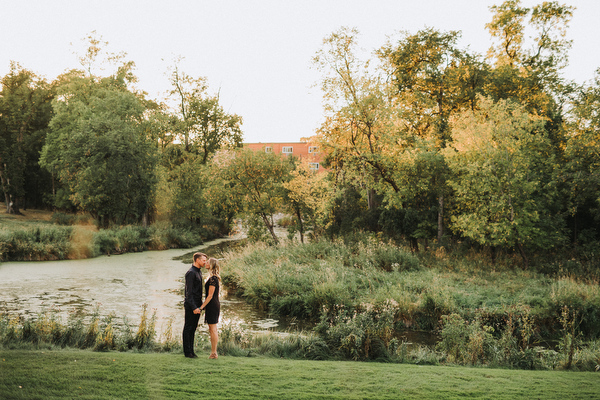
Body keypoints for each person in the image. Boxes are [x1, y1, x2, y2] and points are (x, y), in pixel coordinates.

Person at [182, 252, 207, 358]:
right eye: (203, 260)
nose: (205, 262)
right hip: (191, 306)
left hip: (197, 305)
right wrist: (194, 307)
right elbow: (189, 293)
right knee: (188, 328)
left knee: (193, 328)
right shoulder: (191, 273)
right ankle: (187, 352)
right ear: (197, 260)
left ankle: (191, 351)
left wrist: (200, 306)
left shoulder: (198, 272)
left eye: (205, 260)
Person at [199, 257, 221, 359]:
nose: (205, 263)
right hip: (212, 305)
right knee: (212, 329)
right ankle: (213, 353)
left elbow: (210, 295)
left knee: (213, 329)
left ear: (211, 265)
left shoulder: (213, 279)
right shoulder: (212, 277)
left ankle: (214, 353)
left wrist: (202, 306)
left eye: (207, 262)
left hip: (212, 305)